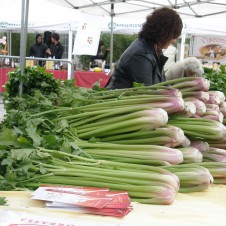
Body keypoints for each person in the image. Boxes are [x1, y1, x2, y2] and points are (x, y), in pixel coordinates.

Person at [105, 7, 183, 89]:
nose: (174, 41)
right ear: (163, 32)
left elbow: (162, 84)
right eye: (173, 36)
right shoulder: (141, 54)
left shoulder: (154, 49)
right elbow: (147, 92)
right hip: (123, 100)